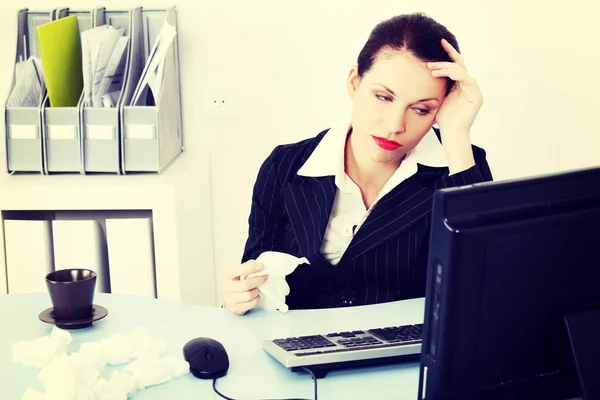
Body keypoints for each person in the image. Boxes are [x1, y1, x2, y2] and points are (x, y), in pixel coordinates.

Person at [222, 12, 493, 315]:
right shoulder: (284, 166)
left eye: (420, 109)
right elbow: (257, 278)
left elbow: (485, 286)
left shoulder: (460, 165)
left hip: (404, 355)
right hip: (299, 353)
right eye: (382, 97)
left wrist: (457, 135)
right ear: (354, 82)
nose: (394, 125)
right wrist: (240, 295)